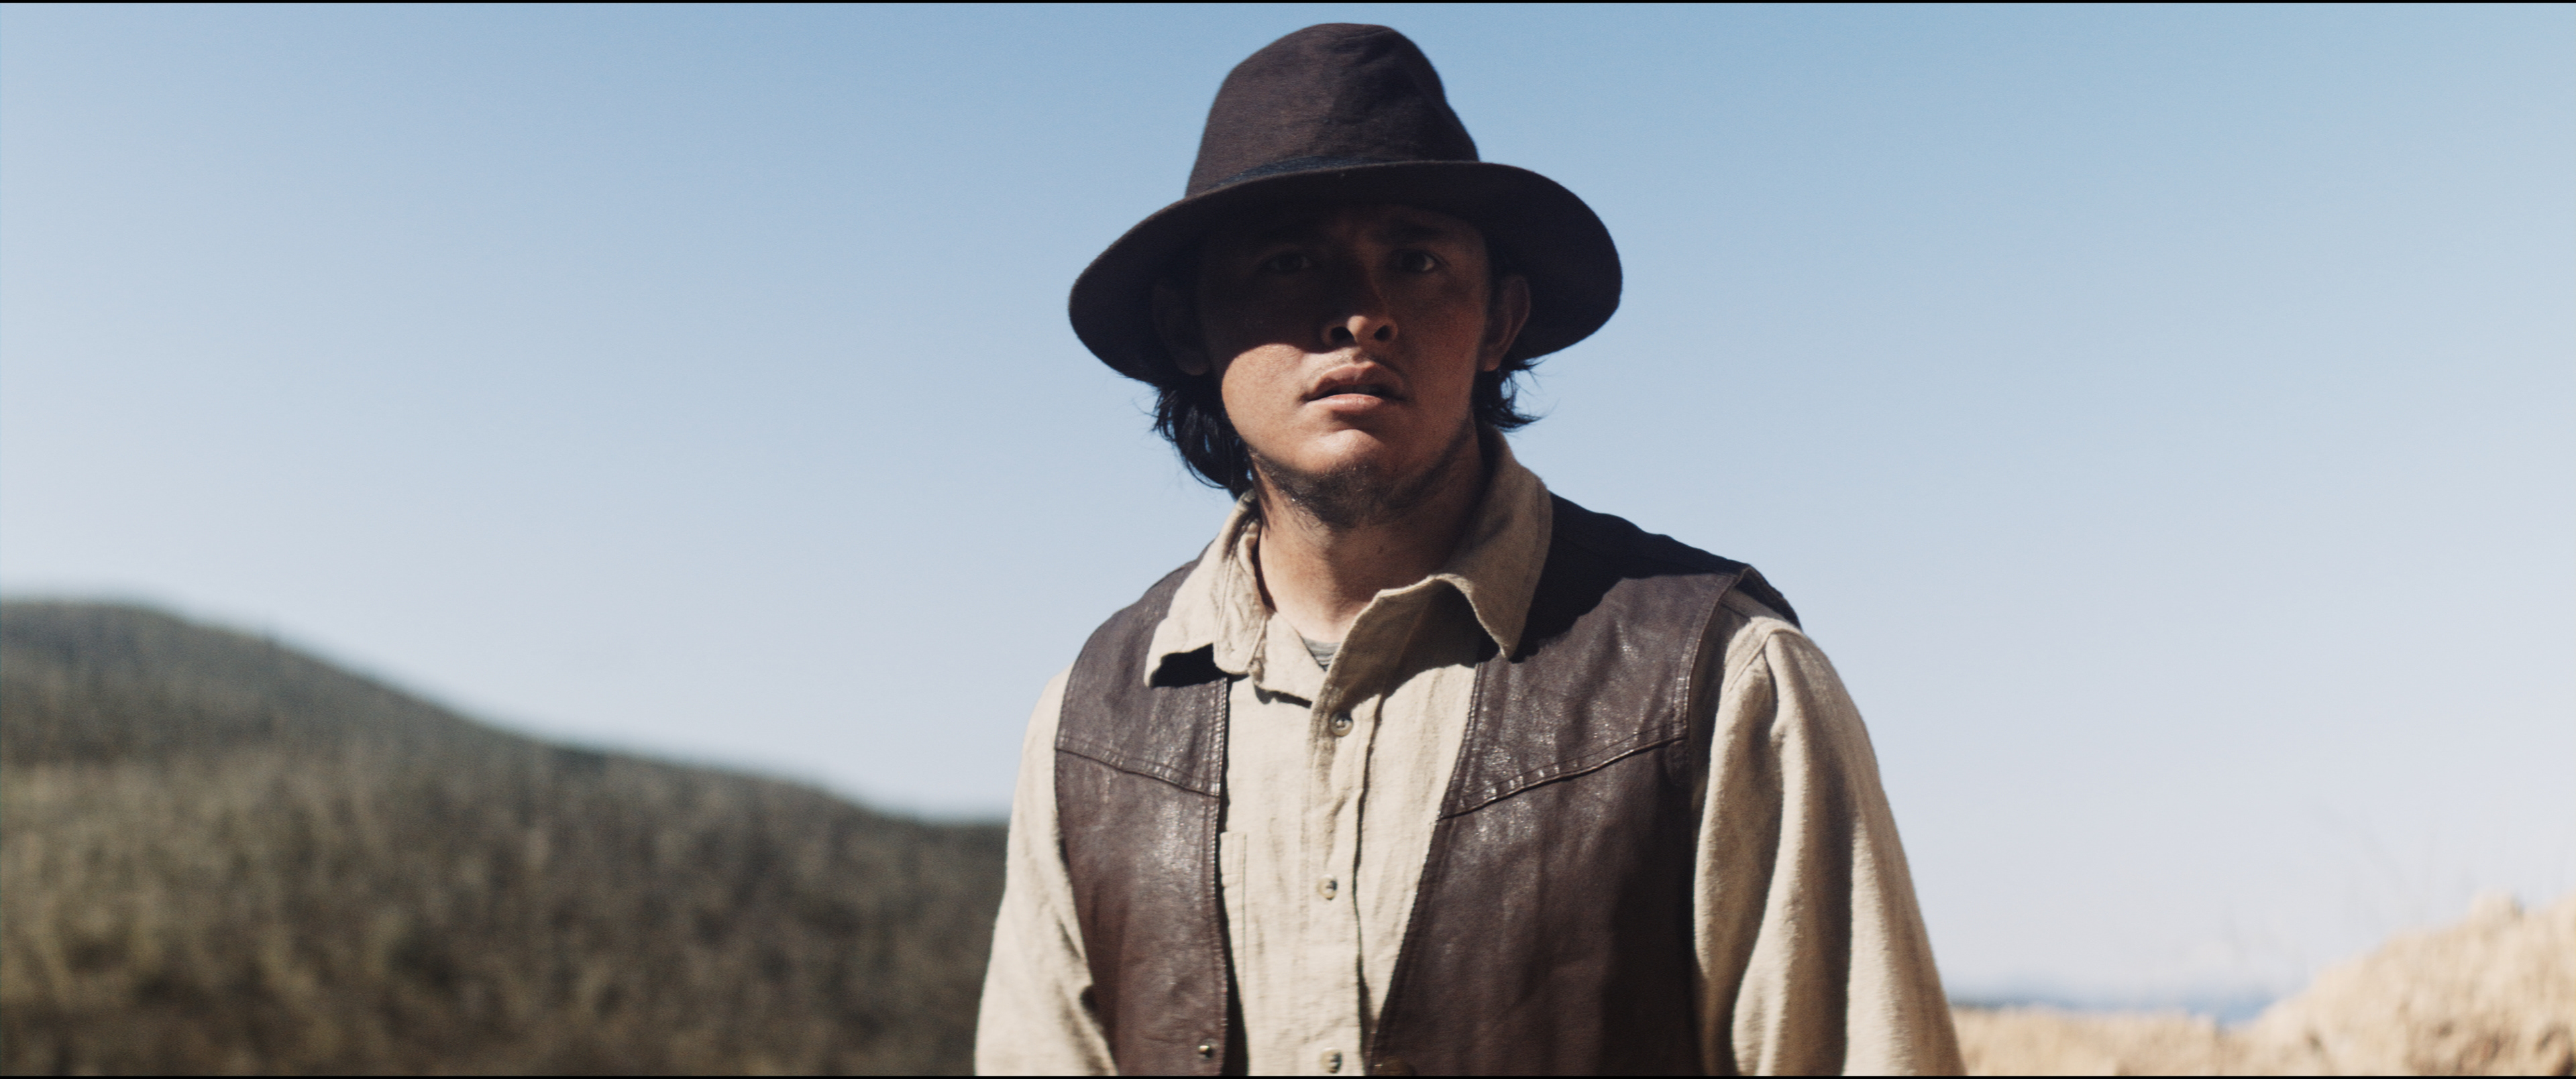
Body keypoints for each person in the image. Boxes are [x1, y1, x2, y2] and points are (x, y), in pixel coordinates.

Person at [975, 23, 1964, 1076]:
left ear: (1501, 320)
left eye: (1415, 261)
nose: (1362, 315)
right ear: (1188, 327)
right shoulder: (1093, 725)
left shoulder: (1720, 679)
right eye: (1288, 260)